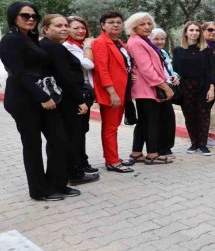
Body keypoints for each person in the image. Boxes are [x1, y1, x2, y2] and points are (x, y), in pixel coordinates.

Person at [0, 2, 70, 201]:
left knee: (59, 140)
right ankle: (39, 191)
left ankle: (57, 184)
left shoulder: (29, 38)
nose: (31, 19)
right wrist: (44, 97)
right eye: (25, 15)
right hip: (23, 99)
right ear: (14, 16)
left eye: (34, 16)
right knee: (32, 145)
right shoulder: (11, 40)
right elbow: (18, 73)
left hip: (42, 98)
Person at [40, 14, 97, 188]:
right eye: (59, 26)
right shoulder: (54, 48)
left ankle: (70, 173)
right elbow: (65, 77)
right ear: (46, 29)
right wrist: (80, 100)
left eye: (65, 25)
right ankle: (68, 176)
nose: (64, 29)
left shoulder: (51, 46)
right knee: (67, 140)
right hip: (66, 101)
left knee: (68, 139)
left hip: (63, 99)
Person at [126, 12, 174, 165]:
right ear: (134, 27)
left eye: (149, 23)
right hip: (147, 88)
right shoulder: (136, 42)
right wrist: (166, 87)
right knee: (152, 122)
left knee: (144, 121)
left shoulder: (142, 40)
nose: (147, 27)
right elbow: (147, 69)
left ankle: (136, 153)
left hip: (146, 87)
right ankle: (152, 154)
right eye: (142, 24)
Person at [92, 11, 133, 173]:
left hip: (123, 91)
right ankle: (112, 161)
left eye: (118, 22)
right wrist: (112, 93)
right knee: (110, 128)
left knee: (114, 126)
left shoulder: (119, 43)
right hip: (113, 93)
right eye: (111, 22)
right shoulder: (100, 42)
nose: (115, 25)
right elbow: (102, 70)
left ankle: (113, 156)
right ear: (103, 25)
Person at [63, 15, 99, 175]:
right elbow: (88, 64)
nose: (80, 31)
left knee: (82, 130)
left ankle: (83, 162)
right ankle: (76, 166)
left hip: (87, 92)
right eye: (76, 28)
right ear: (67, 29)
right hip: (76, 93)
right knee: (75, 131)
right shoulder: (67, 47)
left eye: (83, 28)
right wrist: (88, 47)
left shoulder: (79, 46)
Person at [173, 21, 213, 155]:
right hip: (185, 88)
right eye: (191, 30)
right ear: (185, 32)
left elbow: (210, 71)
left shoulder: (206, 49)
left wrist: (211, 88)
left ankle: (203, 145)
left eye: (197, 30)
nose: (194, 33)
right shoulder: (178, 51)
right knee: (189, 116)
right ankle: (194, 143)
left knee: (204, 116)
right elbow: (175, 70)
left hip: (203, 86)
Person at [149, 28, 180, 156]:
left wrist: (176, 76)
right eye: (156, 39)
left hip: (167, 89)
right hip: (155, 89)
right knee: (158, 120)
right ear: (150, 39)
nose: (159, 41)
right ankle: (158, 148)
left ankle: (167, 147)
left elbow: (170, 69)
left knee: (169, 119)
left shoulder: (163, 52)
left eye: (162, 39)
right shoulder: (149, 52)